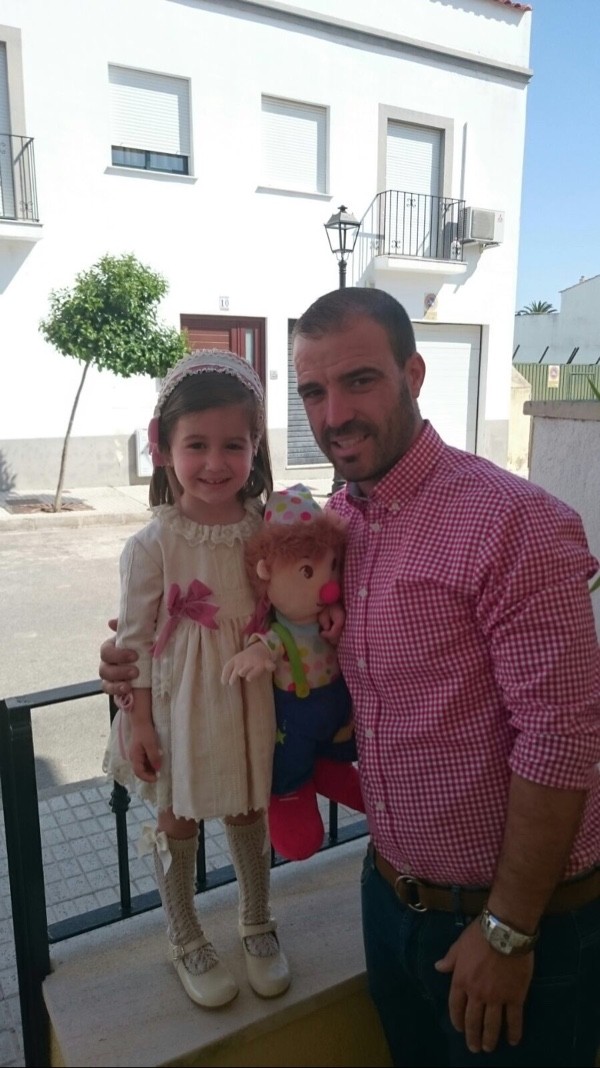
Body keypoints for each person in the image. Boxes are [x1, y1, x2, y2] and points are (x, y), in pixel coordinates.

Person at [100, 289, 600, 1067]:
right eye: (312, 391)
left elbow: (562, 740)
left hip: (510, 928)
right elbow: (255, 621)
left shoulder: (514, 520)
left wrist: (508, 929)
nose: (334, 414)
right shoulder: (339, 523)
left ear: (414, 374)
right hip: (389, 899)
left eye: (359, 380)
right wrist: (137, 670)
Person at [102, 349, 290, 1010]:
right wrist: (140, 723)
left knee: (248, 804)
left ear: (256, 447)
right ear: (163, 447)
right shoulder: (152, 544)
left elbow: (286, 608)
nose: (215, 462)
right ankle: (183, 933)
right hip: (176, 703)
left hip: (245, 696)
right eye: (197, 444)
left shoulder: (266, 527)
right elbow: (133, 643)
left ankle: (256, 919)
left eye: (233, 444)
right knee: (175, 814)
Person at [221, 483, 365, 861]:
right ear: (266, 572)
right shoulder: (282, 632)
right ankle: (289, 792)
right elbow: (267, 643)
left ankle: (330, 766)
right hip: (295, 722)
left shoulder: (331, 616)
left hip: (334, 717)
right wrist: (255, 652)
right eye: (307, 571)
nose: (328, 586)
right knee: (291, 761)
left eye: (331, 566)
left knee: (337, 752)